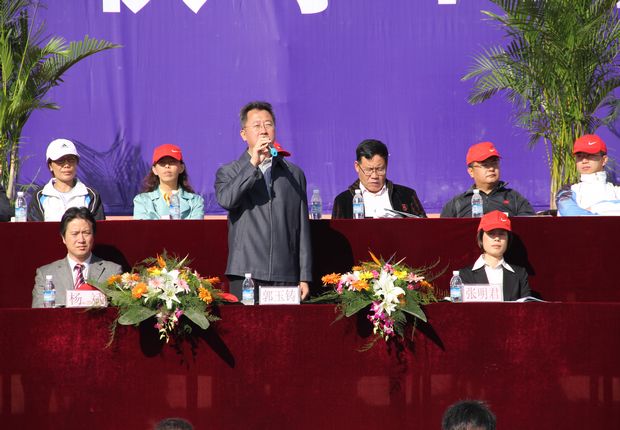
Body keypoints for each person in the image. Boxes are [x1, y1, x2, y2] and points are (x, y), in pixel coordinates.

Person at [215, 101, 312, 301]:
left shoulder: (293, 174)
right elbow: (227, 200)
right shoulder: (230, 171)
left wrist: (304, 275)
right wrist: (253, 164)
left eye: (268, 124)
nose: (263, 130)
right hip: (246, 271)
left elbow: (302, 227)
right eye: (257, 125)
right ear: (244, 134)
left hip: (285, 272)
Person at [32, 207, 122, 307]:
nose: (81, 240)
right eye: (75, 234)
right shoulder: (46, 274)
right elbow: (39, 312)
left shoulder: (112, 272)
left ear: (93, 236)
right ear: (63, 238)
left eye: (86, 233)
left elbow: (118, 310)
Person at [332, 139, 427, 218]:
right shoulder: (343, 201)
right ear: (357, 166)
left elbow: (425, 229)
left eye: (380, 169)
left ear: (386, 166)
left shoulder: (407, 196)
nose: (374, 176)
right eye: (368, 170)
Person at [440, 141, 535, 217]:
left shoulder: (514, 198)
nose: (491, 168)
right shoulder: (456, 203)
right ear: (471, 172)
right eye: (485, 165)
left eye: (495, 163)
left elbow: (529, 228)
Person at [458, 210, 530, 301]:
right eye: (491, 233)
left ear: (508, 239)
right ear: (481, 238)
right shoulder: (464, 275)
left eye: (502, 234)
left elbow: (527, 306)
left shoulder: (520, 274)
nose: (497, 238)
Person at [28, 138, 105, 221]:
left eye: (71, 160)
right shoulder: (39, 196)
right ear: (50, 166)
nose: (67, 165)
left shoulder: (91, 195)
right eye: (60, 161)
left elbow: (97, 227)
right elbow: (35, 228)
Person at [133, 144, 204, 219]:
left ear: (181, 168)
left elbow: (195, 226)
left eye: (172, 162)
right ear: (154, 170)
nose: (167, 166)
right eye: (162, 163)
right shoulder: (142, 201)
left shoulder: (195, 201)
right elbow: (143, 226)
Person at [556, 134, 620, 215]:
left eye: (590, 155)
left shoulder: (616, 190)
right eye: (579, 156)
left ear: (604, 160)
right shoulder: (567, 191)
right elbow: (570, 213)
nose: (584, 161)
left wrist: (595, 208)